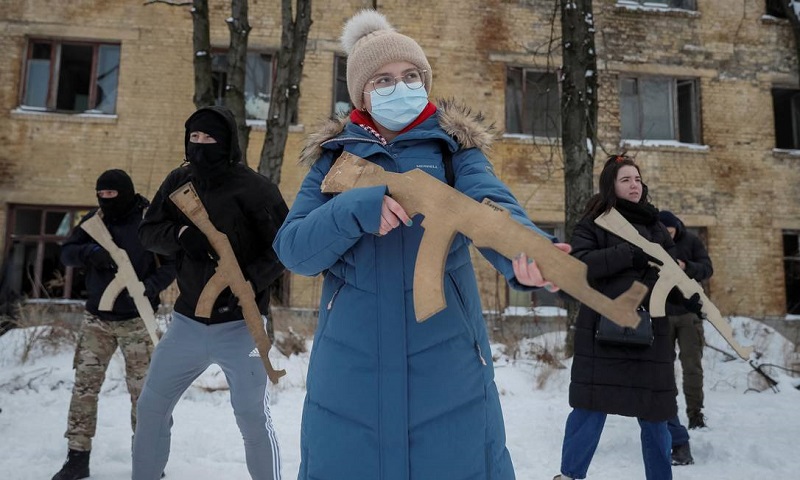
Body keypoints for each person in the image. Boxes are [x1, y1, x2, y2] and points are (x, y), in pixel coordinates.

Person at [272, 10, 570, 480]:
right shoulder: (333, 162)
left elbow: (490, 203)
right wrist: (355, 208)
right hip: (350, 375)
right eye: (384, 80)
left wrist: (526, 248)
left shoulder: (454, 152)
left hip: (448, 364)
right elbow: (293, 249)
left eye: (412, 76)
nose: (402, 86)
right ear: (363, 94)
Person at [133, 105, 288, 480]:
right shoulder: (178, 181)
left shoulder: (256, 189)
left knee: (252, 416)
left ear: (228, 142)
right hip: (187, 323)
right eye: (194, 137)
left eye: (209, 138)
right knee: (152, 407)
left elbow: (285, 246)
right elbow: (148, 231)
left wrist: (249, 280)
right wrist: (182, 236)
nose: (200, 145)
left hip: (242, 326)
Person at [553, 155, 702, 480]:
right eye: (625, 180)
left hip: (650, 334)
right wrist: (629, 254)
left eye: (637, 179)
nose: (634, 185)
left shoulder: (656, 227)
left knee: (655, 415)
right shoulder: (593, 222)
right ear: (611, 186)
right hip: (601, 333)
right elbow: (578, 265)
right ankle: (569, 476)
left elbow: (671, 273)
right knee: (589, 408)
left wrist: (680, 277)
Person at [54, 169, 177, 480]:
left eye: (112, 195)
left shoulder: (149, 219)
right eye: (102, 195)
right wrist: (90, 253)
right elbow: (66, 253)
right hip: (97, 320)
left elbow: (175, 261)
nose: (106, 200)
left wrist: (150, 286)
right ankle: (77, 457)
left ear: (125, 193)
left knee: (145, 395)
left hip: (137, 321)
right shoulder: (94, 223)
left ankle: (147, 459)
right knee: (84, 389)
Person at [658, 209, 714, 466]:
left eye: (670, 231)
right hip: (664, 314)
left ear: (676, 228)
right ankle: (669, 413)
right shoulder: (655, 242)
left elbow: (706, 268)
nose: (667, 234)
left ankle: (695, 413)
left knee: (692, 366)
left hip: (690, 314)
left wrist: (685, 266)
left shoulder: (691, 241)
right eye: (663, 231)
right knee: (663, 369)